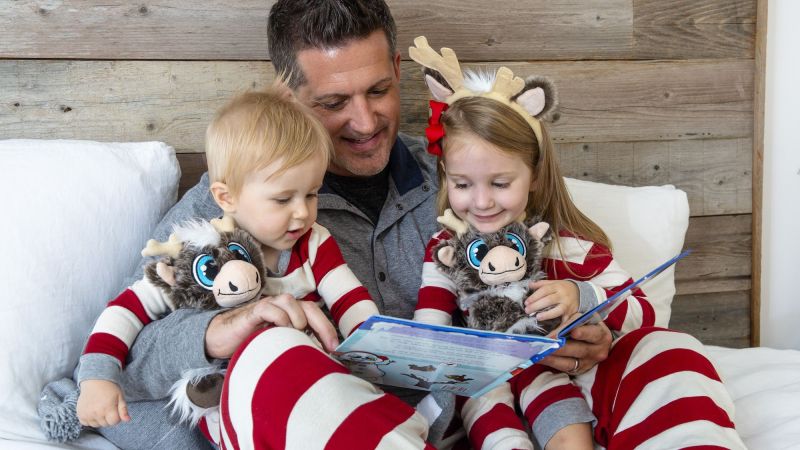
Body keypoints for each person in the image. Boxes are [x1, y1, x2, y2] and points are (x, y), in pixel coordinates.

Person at [65, 1, 744, 449]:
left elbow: (545, 272)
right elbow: (125, 359)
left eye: (378, 90)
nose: (364, 122)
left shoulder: (465, 182)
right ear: (287, 94)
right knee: (271, 357)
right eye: (334, 102)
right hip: (340, 424)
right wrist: (223, 330)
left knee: (666, 350)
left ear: (397, 71)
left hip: (481, 413)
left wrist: (581, 331)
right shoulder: (230, 205)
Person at [67, 87, 384, 435]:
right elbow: (126, 309)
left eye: (311, 194)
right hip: (240, 401)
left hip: (311, 383)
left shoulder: (314, 242)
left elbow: (350, 299)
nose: (302, 213)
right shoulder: (201, 256)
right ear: (226, 197)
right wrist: (97, 377)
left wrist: (376, 347)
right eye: (282, 200)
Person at [412, 65, 602, 449]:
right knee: (493, 423)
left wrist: (579, 294)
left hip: (542, 365)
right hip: (481, 372)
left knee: (566, 420)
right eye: (462, 184)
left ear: (534, 176)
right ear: (445, 175)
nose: (482, 202)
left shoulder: (555, 241)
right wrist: (422, 350)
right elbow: (429, 320)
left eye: (500, 183)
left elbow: (635, 304)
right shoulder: (446, 249)